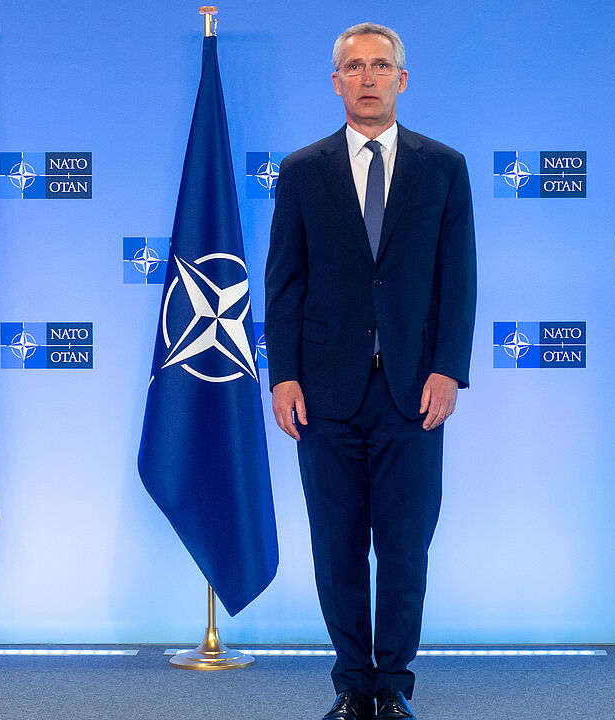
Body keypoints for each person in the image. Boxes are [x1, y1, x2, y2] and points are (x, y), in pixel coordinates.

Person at [264, 22, 477, 720]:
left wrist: (448, 370)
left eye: (380, 65)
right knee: (337, 545)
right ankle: (352, 686)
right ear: (336, 82)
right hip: (324, 394)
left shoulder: (444, 167)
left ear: (401, 79)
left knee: (407, 546)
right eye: (353, 67)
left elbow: (459, 280)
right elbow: (284, 284)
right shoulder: (301, 171)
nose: (367, 77)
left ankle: (394, 688)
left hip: (413, 392)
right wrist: (284, 376)